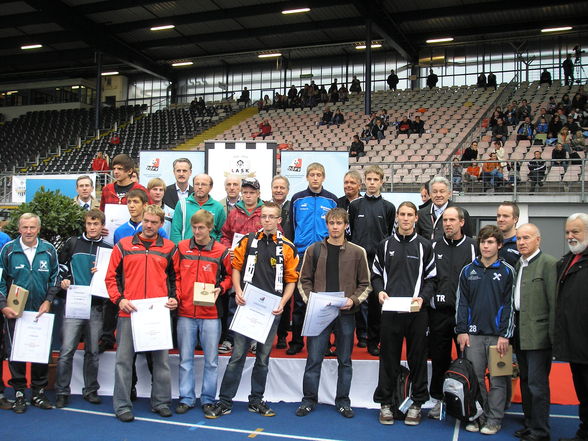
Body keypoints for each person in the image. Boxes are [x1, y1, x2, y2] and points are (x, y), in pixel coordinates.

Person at [206, 203, 299, 419]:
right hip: (247, 306)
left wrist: (282, 303)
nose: (266, 220)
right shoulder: (247, 241)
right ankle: (225, 401)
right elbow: (236, 268)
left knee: (263, 358)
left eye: (271, 217)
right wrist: (238, 291)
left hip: (271, 310)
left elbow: (291, 280)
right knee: (237, 355)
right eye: (264, 216)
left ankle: (256, 400)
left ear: (278, 220)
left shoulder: (287, 247)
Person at [296, 208, 371, 418]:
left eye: (339, 223)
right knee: (314, 359)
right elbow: (304, 280)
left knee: (345, 360)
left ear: (346, 225)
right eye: (331, 223)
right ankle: (309, 400)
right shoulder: (313, 250)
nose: (335, 227)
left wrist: (353, 300)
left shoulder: (358, 252)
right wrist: (312, 301)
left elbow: (365, 284)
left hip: (345, 314)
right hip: (319, 314)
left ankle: (343, 401)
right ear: (326, 225)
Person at [105, 205, 178, 422]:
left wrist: (175, 298)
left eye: (154, 222)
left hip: (157, 314)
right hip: (130, 312)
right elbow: (111, 278)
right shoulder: (123, 245)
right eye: (146, 221)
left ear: (161, 224)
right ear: (141, 221)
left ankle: (161, 402)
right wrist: (120, 300)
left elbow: (176, 279)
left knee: (161, 362)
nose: (148, 225)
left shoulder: (169, 248)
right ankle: (122, 405)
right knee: (124, 361)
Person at [373, 201, 436, 426]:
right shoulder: (384, 244)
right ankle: (385, 403)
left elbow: (431, 279)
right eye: (402, 214)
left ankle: (417, 403)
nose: (406, 218)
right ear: (397, 217)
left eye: (410, 214)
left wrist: (423, 298)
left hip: (416, 312)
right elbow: (376, 275)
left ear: (416, 218)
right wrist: (380, 292)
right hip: (390, 312)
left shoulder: (425, 246)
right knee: (388, 358)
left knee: (417, 358)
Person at [456, 225, 515, 435]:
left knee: (499, 379)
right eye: (483, 242)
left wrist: (505, 335)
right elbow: (461, 303)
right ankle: (478, 415)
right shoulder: (467, 270)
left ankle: (494, 419)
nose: (486, 246)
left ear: (499, 245)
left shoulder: (508, 271)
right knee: (476, 379)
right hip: (473, 335)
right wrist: (462, 330)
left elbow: (510, 305)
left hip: (499, 338)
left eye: (490, 242)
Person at [174, 210, 232, 417]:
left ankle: (208, 399)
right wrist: (179, 295)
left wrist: (222, 288)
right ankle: (186, 398)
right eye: (194, 227)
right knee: (185, 359)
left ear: (210, 229)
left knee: (211, 360)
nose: (197, 232)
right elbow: (175, 275)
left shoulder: (221, 251)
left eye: (201, 228)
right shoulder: (181, 248)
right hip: (185, 312)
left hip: (210, 314)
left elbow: (230, 276)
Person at [0, 213, 60, 413]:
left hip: (40, 311)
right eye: (25, 227)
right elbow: (0, 280)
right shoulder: (8, 250)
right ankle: (18, 393)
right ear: (18, 229)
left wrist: (48, 301)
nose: (28, 231)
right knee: (15, 352)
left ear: (38, 229)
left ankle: (38, 393)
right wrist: (3, 305)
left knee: (39, 352)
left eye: (32, 227)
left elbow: (55, 276)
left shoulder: (48, 249)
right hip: (15, 312)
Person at [55, 209, 112, 408]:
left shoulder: (108, 249)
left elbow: (112, 278)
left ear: (102, 226)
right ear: (85, 225)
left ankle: (90, 390)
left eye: (96, 224)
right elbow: (60, 265)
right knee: (66, 350)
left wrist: (102, 273)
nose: (92, 227)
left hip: (95, 306)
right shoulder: (72, 243)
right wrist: (65, 279)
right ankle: (62, 391)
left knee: (93, 351)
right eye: (89, 224)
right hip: (74, 304)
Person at [428, 206, 477, 419]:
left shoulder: (474, 246)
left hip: (465, 315)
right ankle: (438, 400)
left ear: (462, 222)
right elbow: (427, 278)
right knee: (439, 359)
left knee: (467, 360)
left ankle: (470, 401)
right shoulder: (433, 246)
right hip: (439, 314)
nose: (447, 224)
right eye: (445, 220)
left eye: (452, 220)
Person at [512, 224, 558, 441]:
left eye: (526, 238)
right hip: (520, 331)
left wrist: (553, 337)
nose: (521, 242)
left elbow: (554, 303)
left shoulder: (549, 264)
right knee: (525, 381)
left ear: (538, 240)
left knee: (537, 385)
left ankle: (540, 431)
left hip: (539, 335)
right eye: (519, 238)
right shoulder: (518, 264)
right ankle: (530, 424)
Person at [287, 163, 338, 355]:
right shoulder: (298, 199)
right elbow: (291, 227)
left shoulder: (332, 200)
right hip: (301, 254)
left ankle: (323, 343)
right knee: (300, 299)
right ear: (307, 177)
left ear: (323, 177)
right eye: (312, 175)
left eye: (319, 175)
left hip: (325, 253)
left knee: (323, 299)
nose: (315, 178)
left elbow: (336, 227)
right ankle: (297, 341)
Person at [554, 213, 588, 441]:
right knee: (583, 392)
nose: (570, 236)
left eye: (576, 231)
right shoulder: (567, 261)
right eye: (567, 232)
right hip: (574, 342)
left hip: (585, 341)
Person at [269, 175, 293, 349]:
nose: (278, 190)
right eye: (276, 187)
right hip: (266, 255)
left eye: (282, 188)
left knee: (284, 295)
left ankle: (282, 335)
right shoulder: (265, 207)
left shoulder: (293, 207)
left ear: (287, 190)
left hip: (286, 255)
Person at [170, 174, 225, 244]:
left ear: (210, 187)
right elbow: (175, 231)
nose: (199, 187)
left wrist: (214, 248)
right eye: (197, 184)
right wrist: (180, 248)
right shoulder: (182, 204)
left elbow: (222, 233)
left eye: (204, 184)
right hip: (186, 251)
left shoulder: (218, 207)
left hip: (210, 252)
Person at [416, 176, 472, 240]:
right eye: (435, 192)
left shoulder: (461, 213)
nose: (438, 195)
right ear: (430, 194)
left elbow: (468, 240)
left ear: (449, 194)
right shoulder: (421, 214)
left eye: (442, 191)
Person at [162, 158, 193, 227]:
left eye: (184, 171)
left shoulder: (195, 193)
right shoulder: (164, 192)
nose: (181, 174)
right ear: (174, 172)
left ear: (190, 172)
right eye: (178, 171)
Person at [496, 202, 520, 267]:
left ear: (515, 219)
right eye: (498, 216)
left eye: (505, 216)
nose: (500, 219)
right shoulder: (490, 241)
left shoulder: (522, 243)